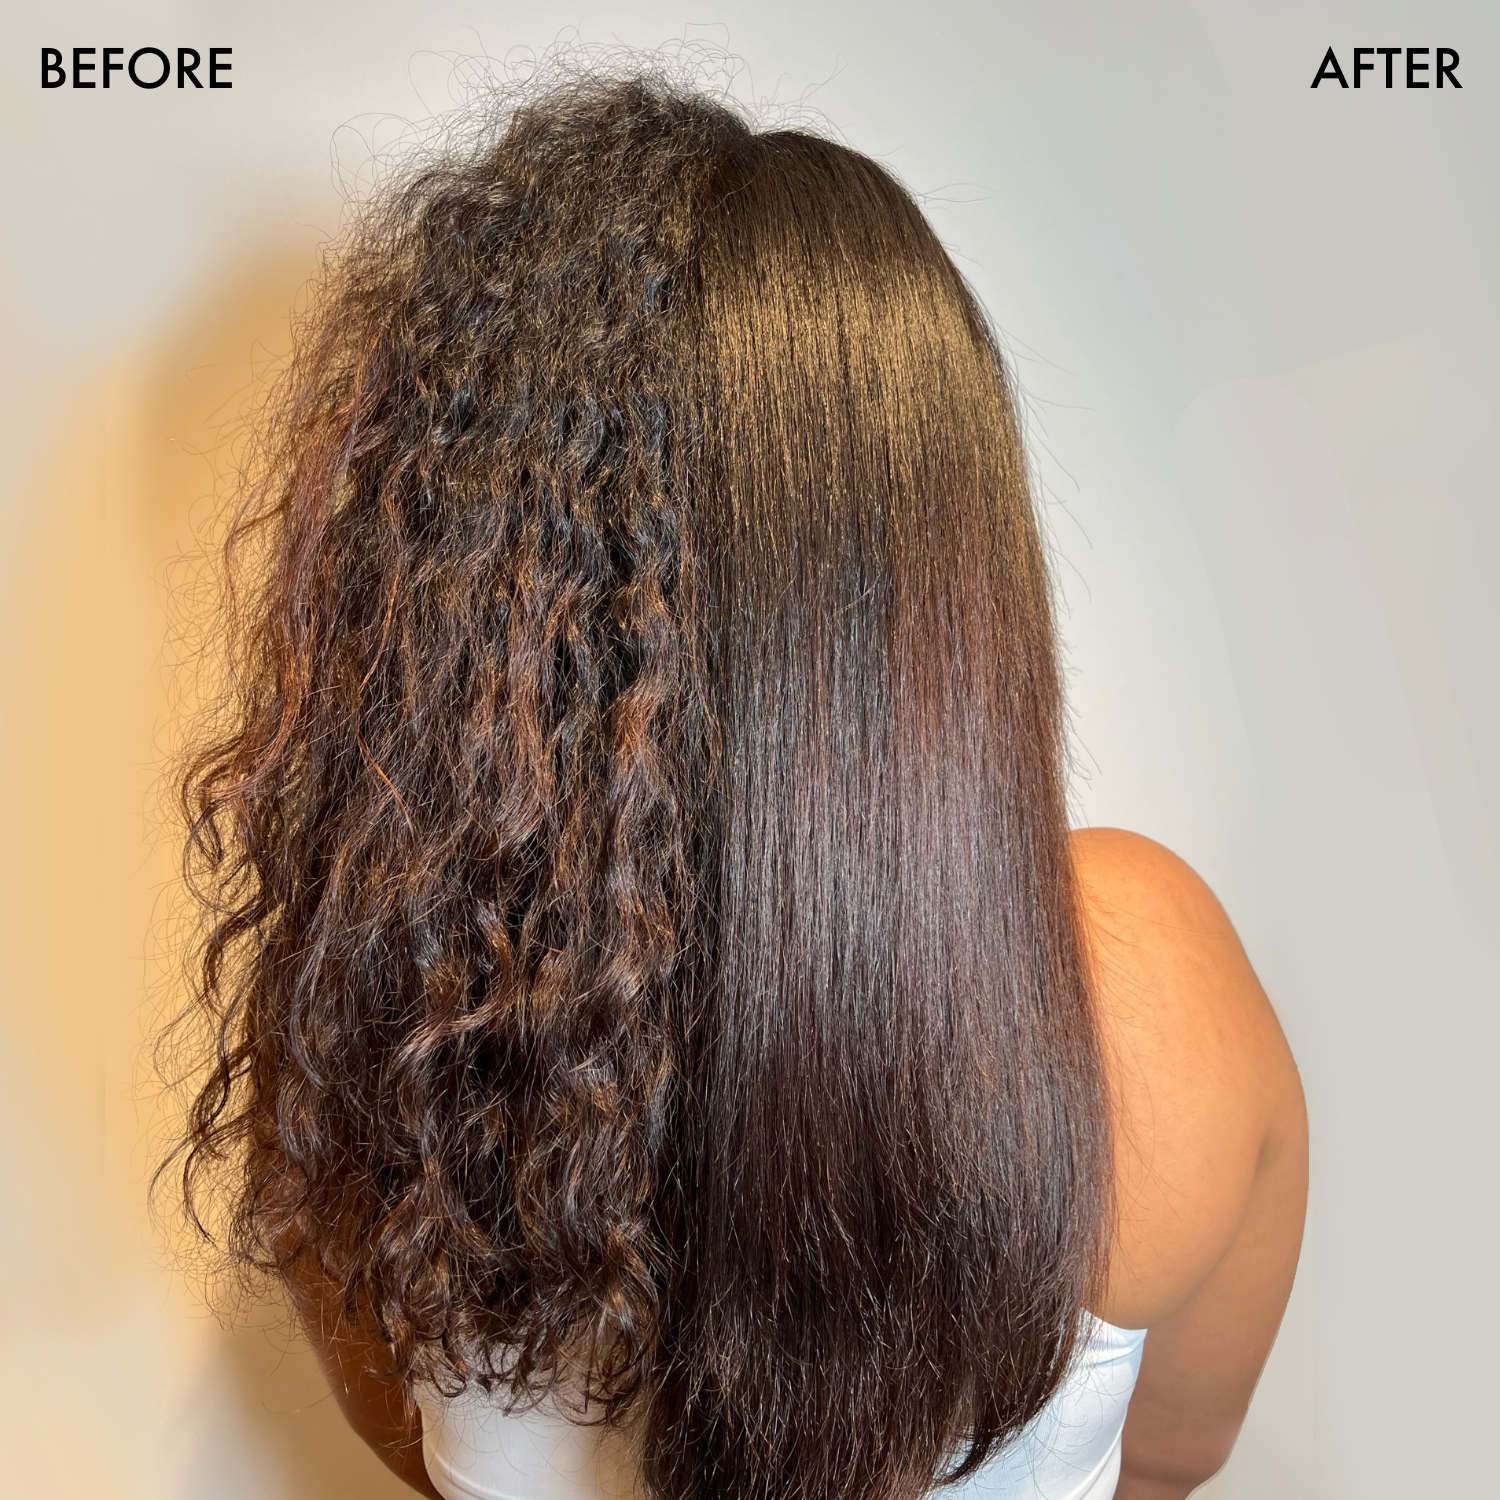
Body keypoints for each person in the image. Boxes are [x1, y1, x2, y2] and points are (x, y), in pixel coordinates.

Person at [165, 67, 1306, 1500]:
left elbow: (398, 1428)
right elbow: (1176, 1460)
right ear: (952, 580)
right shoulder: (1154, 989)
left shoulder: (388, 1027)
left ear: (448, 606)